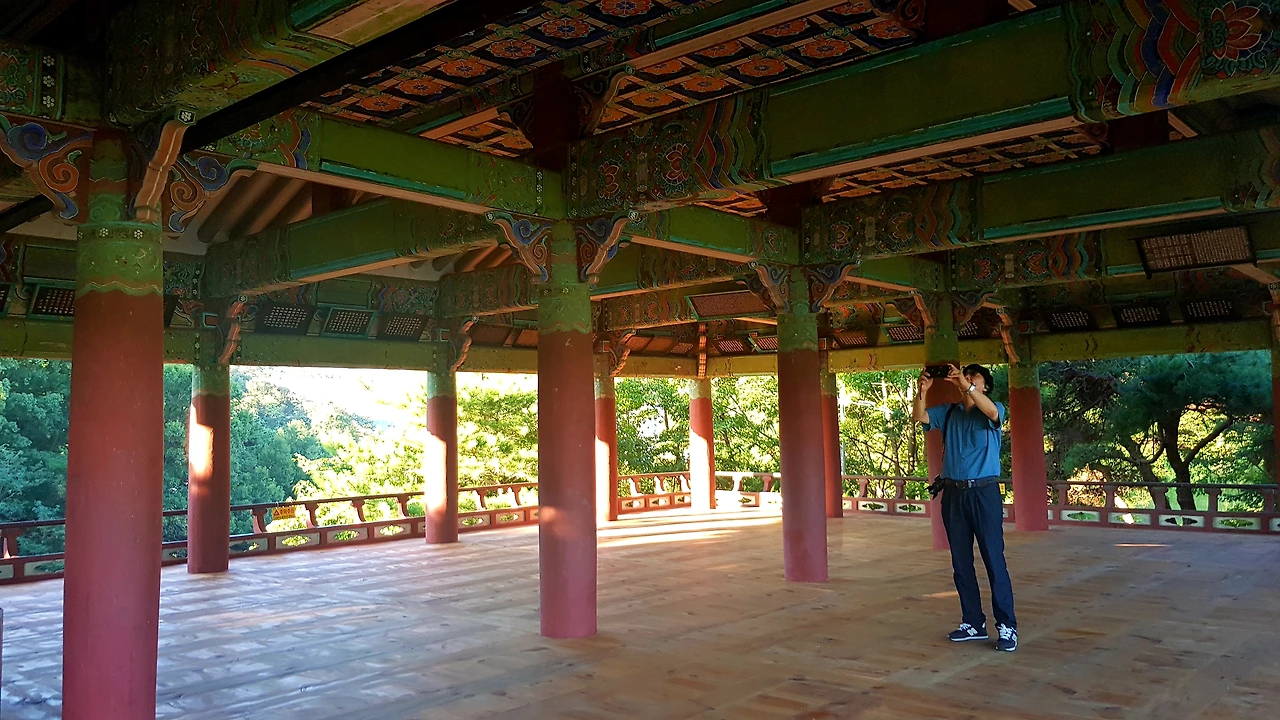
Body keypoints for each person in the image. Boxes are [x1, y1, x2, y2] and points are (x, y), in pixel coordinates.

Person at [913, 363, 1018, 652]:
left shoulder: (993, 409)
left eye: (974, 377)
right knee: (961, 562)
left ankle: (1007, 626)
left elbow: (993, 412)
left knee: (993, 559)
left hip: (984, 493)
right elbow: (920, 416)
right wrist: (922, 391)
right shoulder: (949, 412)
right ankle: (973, 622)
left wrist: (967, 385)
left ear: (985, 386)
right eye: (965, 375)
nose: (968, 378)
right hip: (954, 494)